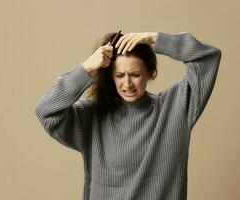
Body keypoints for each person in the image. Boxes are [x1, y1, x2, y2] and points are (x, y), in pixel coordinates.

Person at [35, 31, 222, 200]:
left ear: (150, 73)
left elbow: (208, 58)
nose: (127, 84)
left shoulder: (176, 108)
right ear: (111, 76)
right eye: (120, 75)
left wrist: (155, 39)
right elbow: (46, 110)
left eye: (135, 74)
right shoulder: (93, 115)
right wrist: (86, 69)